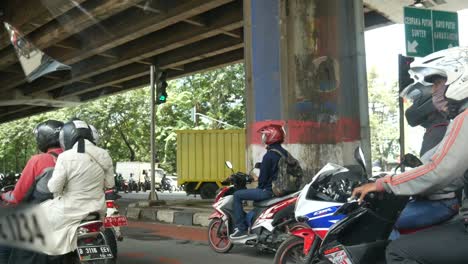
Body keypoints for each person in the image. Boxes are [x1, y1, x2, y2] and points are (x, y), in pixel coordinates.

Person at [352, 47, 468, 263]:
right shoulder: (452, 123)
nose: (434, 91)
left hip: (448, 208)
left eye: (437, 83)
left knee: (397, 250)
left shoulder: (464, 119)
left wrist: (383, 184)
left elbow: (438, 169)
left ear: (459, 77)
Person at [390, 83, 458, 239]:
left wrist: (390, 183)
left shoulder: (440, 130)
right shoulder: (435, 129)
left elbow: (433, 173)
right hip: (435, 200)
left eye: (415, 102)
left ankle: (395, 255)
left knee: (386, 221)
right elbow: (432, 166)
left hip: (441, 202)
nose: (413, 107)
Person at [39, 120, 115, 256]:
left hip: (70, 210)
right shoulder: (104, 154)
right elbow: (110, 184)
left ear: (67, 136)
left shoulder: (65, 157)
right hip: (97, 210)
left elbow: (53, 187)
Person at [1, 120, 63, 264]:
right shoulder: (75, 158)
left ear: (43, 138)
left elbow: (18, 196)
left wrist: (4, 195)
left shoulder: (38, 160)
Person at [230, 124, 287, 239]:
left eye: (265, 135)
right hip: (283, 191)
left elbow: (263, 181)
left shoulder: (269, 155)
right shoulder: (284, 153)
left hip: (269, 191)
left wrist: (257, 180)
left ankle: (241, 228)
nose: (263, 138)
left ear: (271, 136)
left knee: (237, 195)